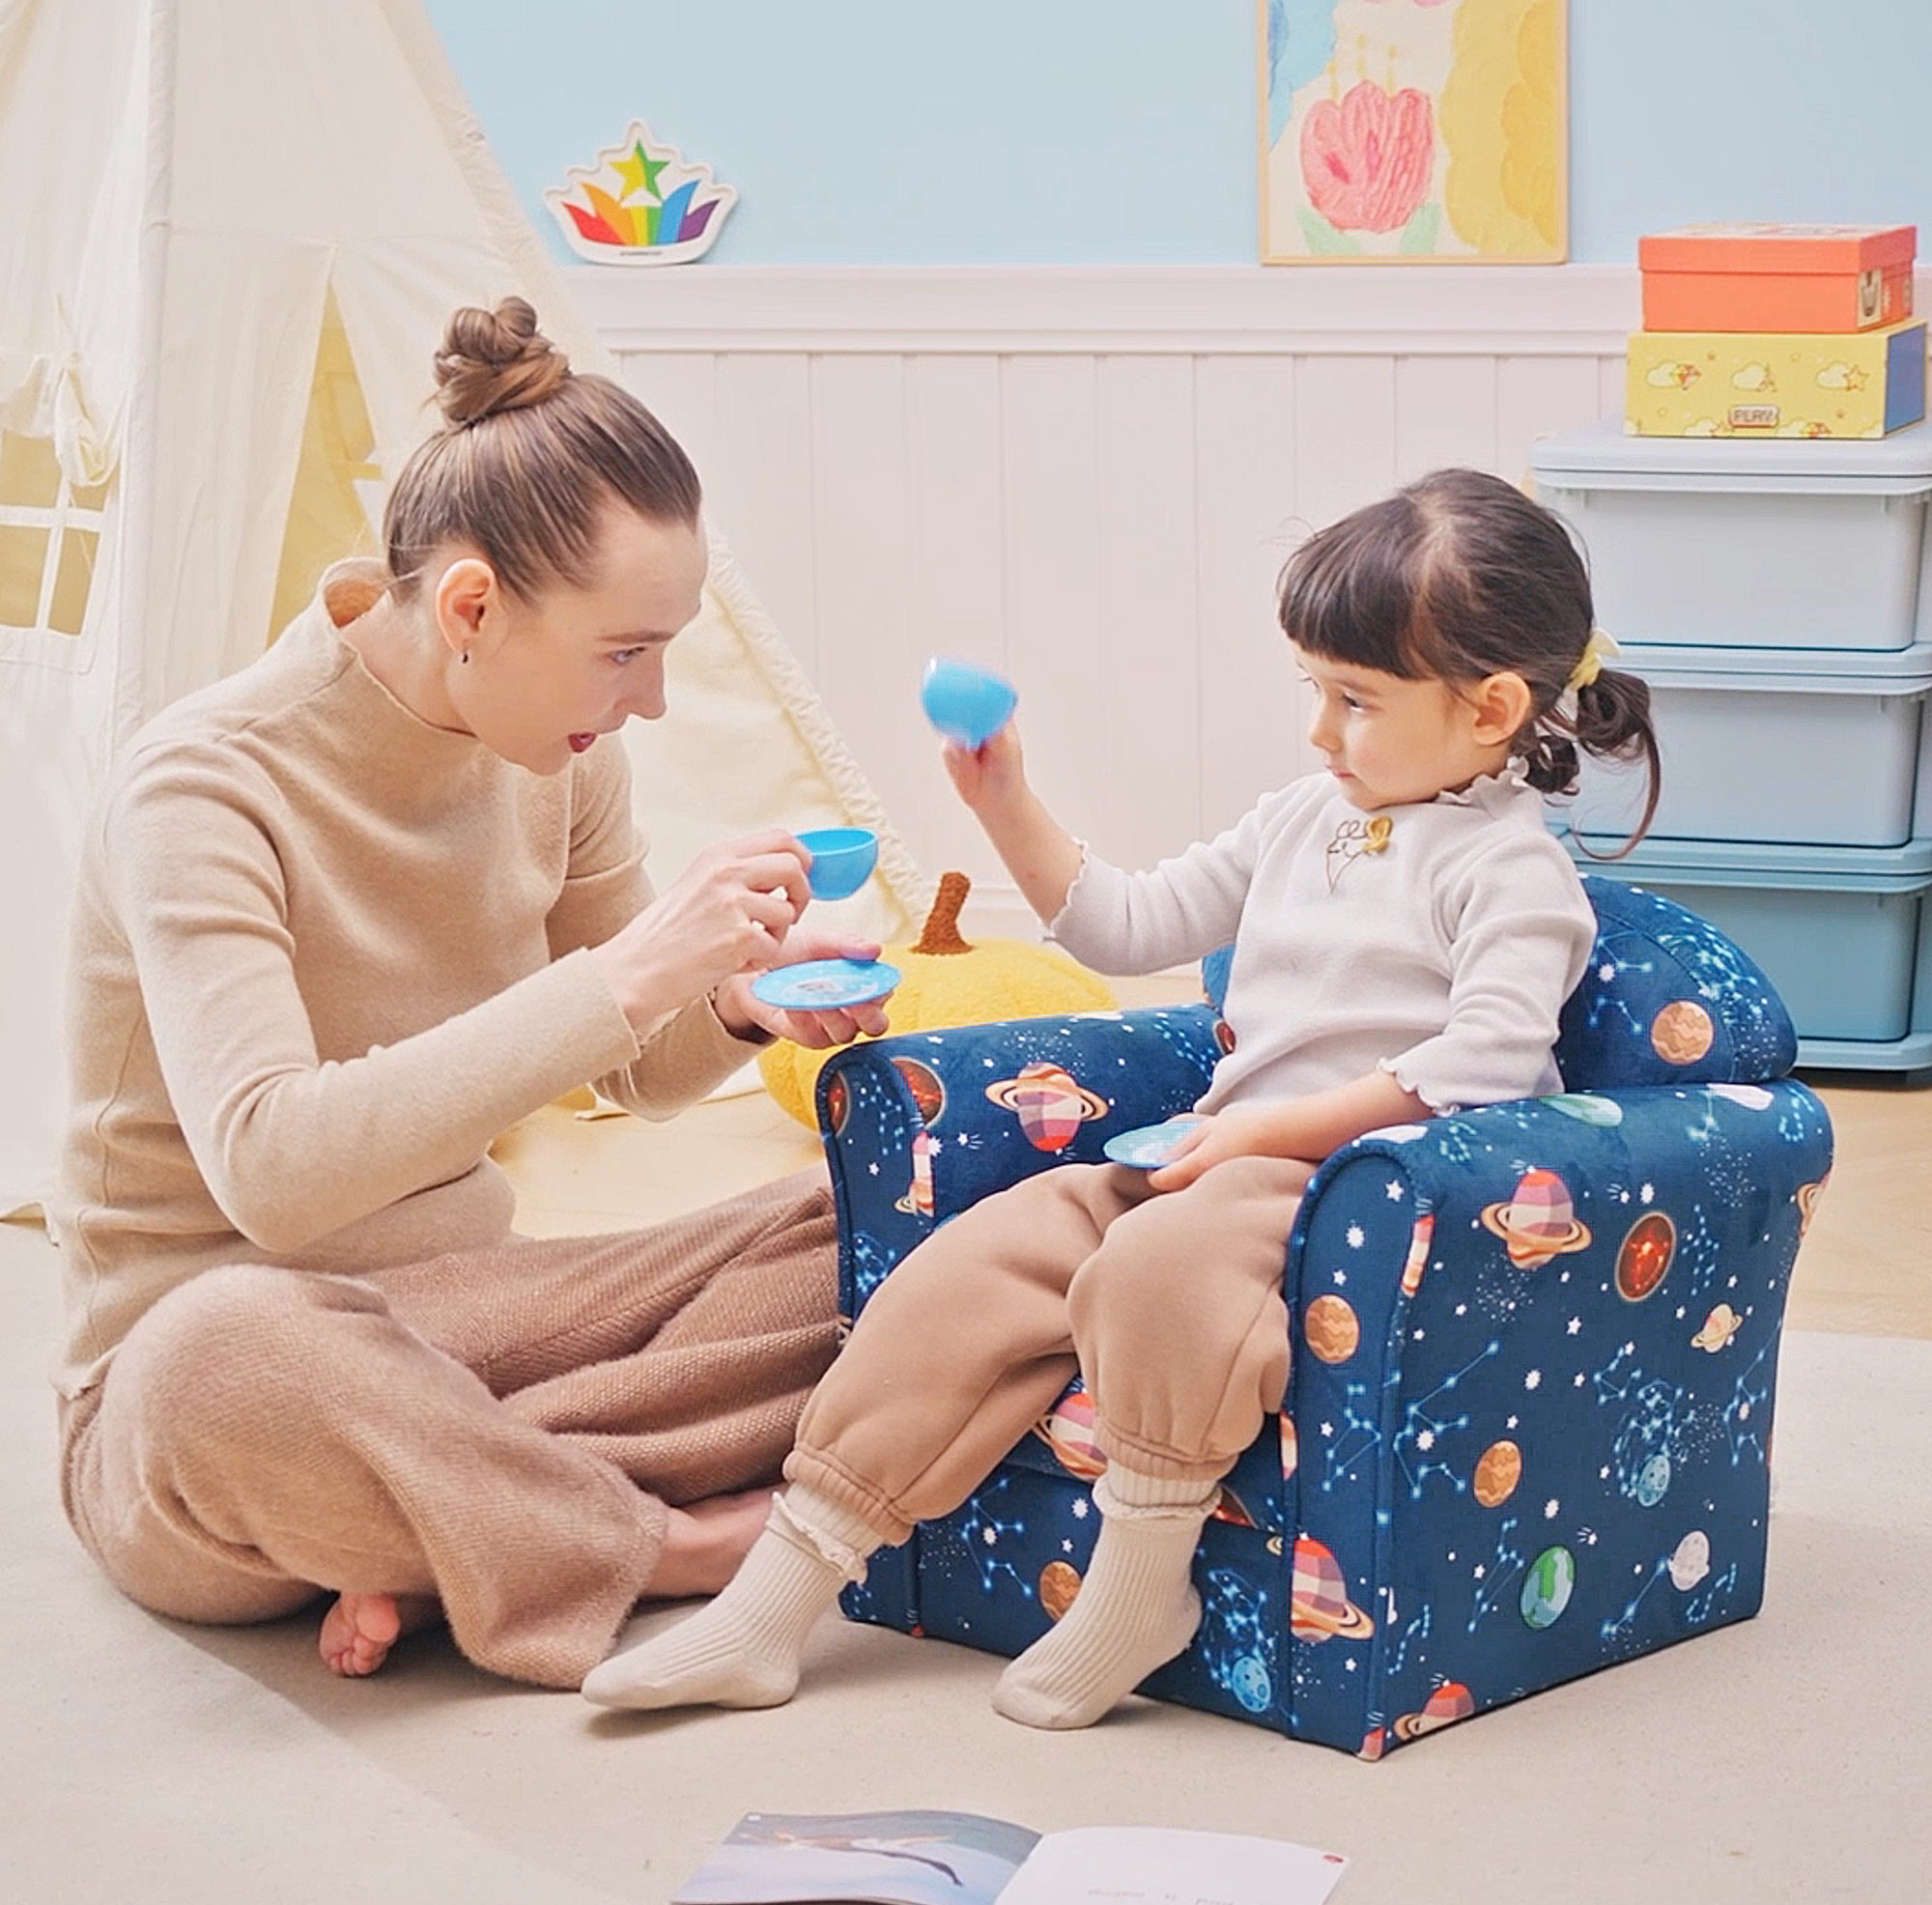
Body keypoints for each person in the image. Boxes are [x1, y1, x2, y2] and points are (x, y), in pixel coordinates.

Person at [582, 467, 1662, 1730]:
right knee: (968, 1269)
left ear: (1490, 710)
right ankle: (771, 1607)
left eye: (1356, 700)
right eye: (1316, 690)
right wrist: (1001, 802)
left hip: (1365, 1184)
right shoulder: (1304, 817)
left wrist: (1264, 1131)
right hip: (1209, 1150)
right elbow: (1124, 922)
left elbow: (1484, 1063)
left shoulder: (1512, 871)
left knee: (1163, 1276)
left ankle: (1139, 1585)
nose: (1321, 731)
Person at [51, 297, 895, 1689]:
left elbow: (639, 1065)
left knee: (870, 1218)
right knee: (222, 1353)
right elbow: (273, 1175)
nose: (653, 701)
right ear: (470, 609)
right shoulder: (203, 786)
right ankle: (656, 1542)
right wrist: (629, 970)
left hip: (470, 1325)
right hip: (209, 1384)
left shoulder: (561, 755)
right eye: (626, 651)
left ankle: (451, 1526)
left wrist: (741, 1001)